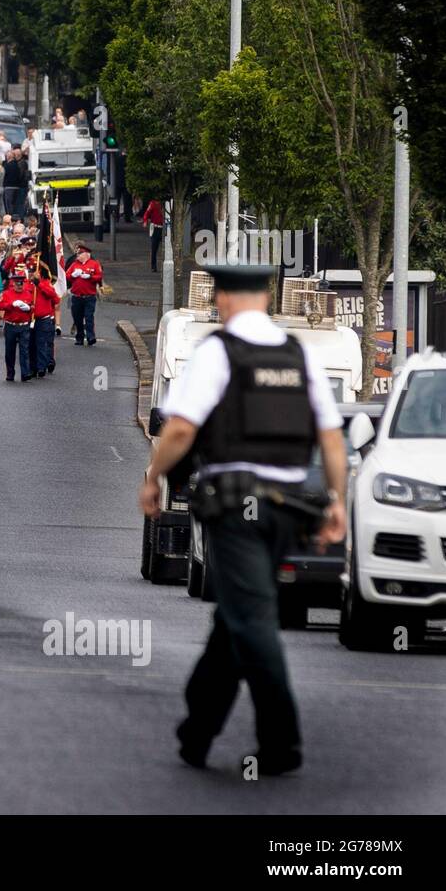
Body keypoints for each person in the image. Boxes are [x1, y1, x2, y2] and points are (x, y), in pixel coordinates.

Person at [139, 261, 347, 775]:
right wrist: (338, 501)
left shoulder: (219, 352)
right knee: (235, 617)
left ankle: (283, 742)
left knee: (252, 620)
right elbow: (331, 437)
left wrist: (152, 477)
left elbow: (182, 429)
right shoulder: (300, 355)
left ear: (224, 299)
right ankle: (197, 731)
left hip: (236, 509)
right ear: (269, 299)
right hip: (290, 508)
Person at [0, 270, 36, 382]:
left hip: (24, 326)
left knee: (24, 350)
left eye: (21, 284)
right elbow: (1, 306)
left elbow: (33, 307)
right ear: (13, 284)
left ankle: (25, 373)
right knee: (10, 351)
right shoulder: (7, 294)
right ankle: (10, 373)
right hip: (11, 325)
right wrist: (11, 305)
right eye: (17, 284)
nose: (20, 286)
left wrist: (29, 308)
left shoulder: (28, 294)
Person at [68, 241, 104, 345]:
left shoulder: (94, 264)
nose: (77, 256)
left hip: (89, 296)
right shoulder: (74, 264)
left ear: (86, 254)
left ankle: (90, 336)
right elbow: (67, 275)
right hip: (77, 296)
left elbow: (99, 276)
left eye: (80, 254)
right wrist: (73, 275)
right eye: (77, 254)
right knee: (77, 318)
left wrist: (90, 277)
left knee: (89, 317)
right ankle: (79, 337)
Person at [144, 199, 165, 272]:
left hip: (163, 227)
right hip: (155, 228)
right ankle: (153, 266)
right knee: (154, 249)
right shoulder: (153, 203)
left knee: (166, 249)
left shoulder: (165, 204)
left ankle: (164, 265)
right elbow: (147, 213)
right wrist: (145, 221)